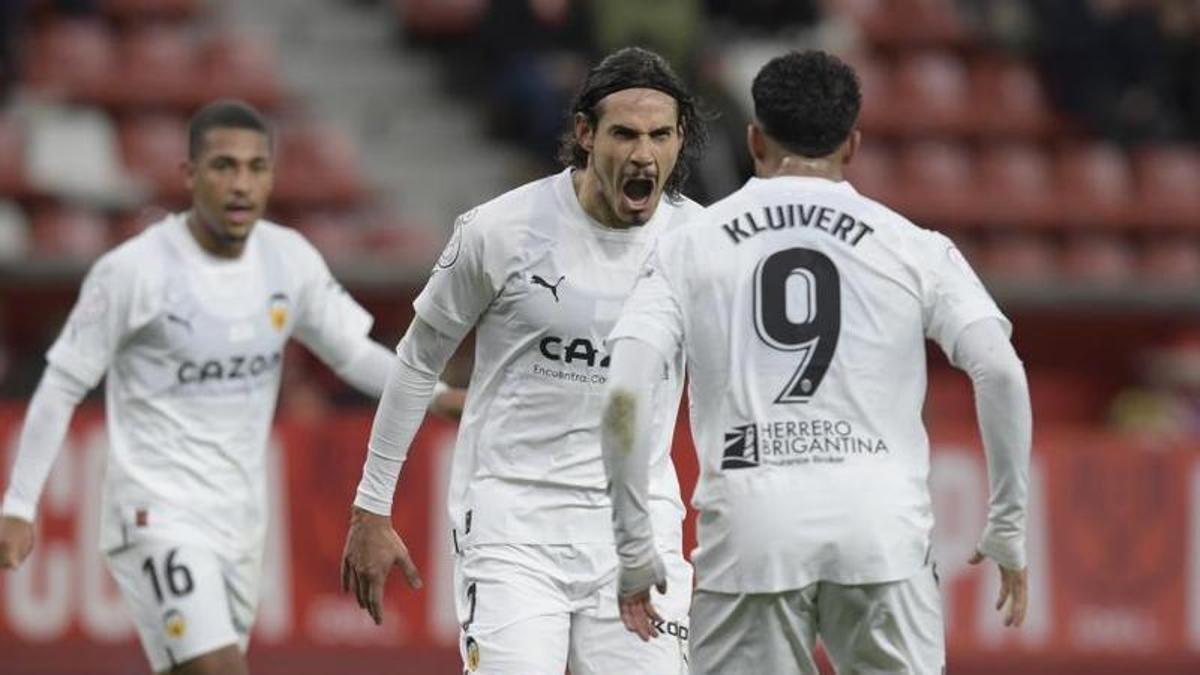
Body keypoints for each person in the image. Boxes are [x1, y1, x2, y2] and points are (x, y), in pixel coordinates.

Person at [600, 50, 1032, 674]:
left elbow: (623, 395)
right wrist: (1008, 522)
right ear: (852, 145)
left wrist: (635, 545)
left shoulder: (686, 247)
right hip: (881, 532)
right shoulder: (913, 246)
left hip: (753, 531)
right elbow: (1001, 369)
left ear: (754, 139)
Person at [0, 99, 462, 675]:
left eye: (256, 167)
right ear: (191, 176)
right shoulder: (133, 271)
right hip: (156, 512)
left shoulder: (287, 259)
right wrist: (19, 504)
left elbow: (350, 352)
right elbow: (61, 383)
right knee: (218, 669)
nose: (241, 183)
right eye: (223, 167)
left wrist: (438, 396)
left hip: (241, 518)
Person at [340, 47, 707, 674]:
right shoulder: (500, 230)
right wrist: (371, 505)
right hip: (513, 526)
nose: (644, 154)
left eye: (660, 135)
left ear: (680, 140)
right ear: (586, 134)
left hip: (638, 534)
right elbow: (417, 360)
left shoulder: (701, 244)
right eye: (624, 133)